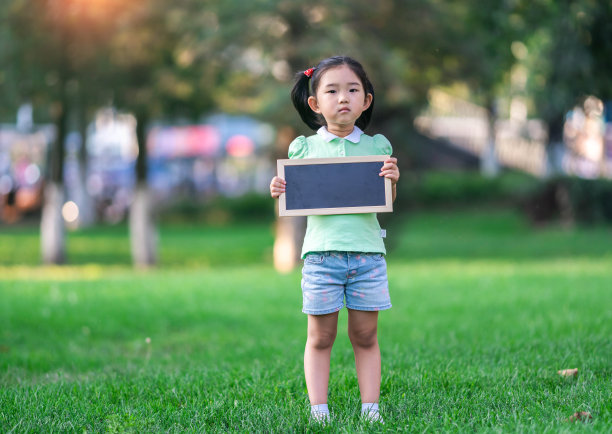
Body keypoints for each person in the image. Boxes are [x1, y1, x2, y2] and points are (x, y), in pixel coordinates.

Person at [270, 56, 400, 424]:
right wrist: (278, 188)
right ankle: (319, 411)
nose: (343, 98)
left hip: (367, 257)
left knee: (365, 334)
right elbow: (293, 194)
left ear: (366, 101)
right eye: (332, 90)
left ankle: (370, 409)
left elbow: (387, 199)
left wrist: (392, 179)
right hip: (321, 259)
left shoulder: (377, 147)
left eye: (352, 90)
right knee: (320, 337)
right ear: (315, 103)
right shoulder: (304, 150)